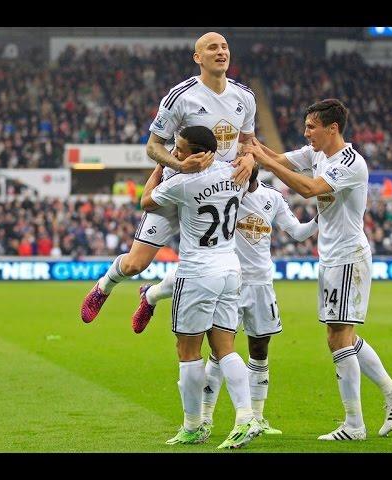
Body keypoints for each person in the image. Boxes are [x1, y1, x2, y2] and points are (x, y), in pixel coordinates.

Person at [244, 99, 392, 440]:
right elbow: (278, 158)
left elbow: (309, 188)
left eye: (311, 127)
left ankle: (354, 424)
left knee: (338, 339)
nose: (306, 133)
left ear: (332, 128)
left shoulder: (350, 163)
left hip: (348, 258)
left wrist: (263, 160)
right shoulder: (316, 154)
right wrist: (249, 144)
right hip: (332, 258)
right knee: (343, 337)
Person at [81, 31, 256, 324]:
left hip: (218, 192)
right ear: (198, 58)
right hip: (180, 185)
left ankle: (150, 296)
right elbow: (153, 146)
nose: (220, 51)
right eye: (212, 48)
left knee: (209, 265)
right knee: (136, 263)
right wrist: (180, 164)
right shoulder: (181, 97)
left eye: (224, 47)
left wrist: (250, 158)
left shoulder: (245, 97)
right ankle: (104, 286)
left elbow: (250, 141)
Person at [137, 165, 319, 435]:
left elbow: (299, 232)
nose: (245, 161)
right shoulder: (226, 190)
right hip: (229, 279)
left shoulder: (273, 198)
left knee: (259, 350)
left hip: (261, 285)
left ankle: (256, 418)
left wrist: (321, 216)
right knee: (219, 351)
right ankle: (206, 417)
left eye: (249, 158)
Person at [141, 125, 262, 449]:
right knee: (224, 348)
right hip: (230, 267)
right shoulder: (236, 172)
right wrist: (249, 160)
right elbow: (252, 179)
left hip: (197, 273)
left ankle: (194, 426)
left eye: (179, 149)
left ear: (196, 152)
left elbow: (146, 201)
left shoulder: (182, 182)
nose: (175, 154)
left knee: (188, 351)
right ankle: (246, 416)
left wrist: (161, 166)